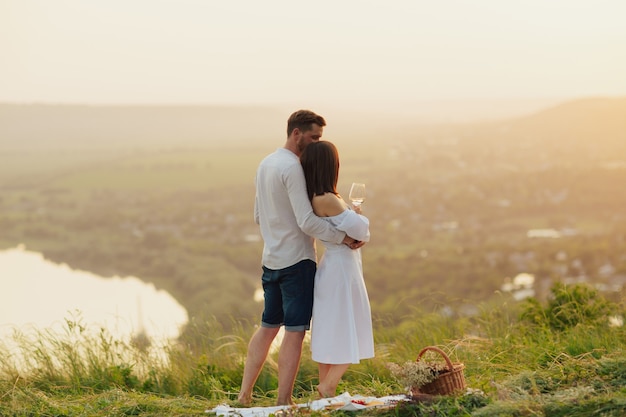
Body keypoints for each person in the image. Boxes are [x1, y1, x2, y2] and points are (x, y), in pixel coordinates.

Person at [237, 110, 363, 406]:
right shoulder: (293, 167)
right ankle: (284, 401)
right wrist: (343, 238)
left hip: (271, 260)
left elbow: (258, 215)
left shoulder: (265, 163)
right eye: (314, 137)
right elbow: (307, 222)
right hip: (297, 262)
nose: (317, 142)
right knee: (294, 333)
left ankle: (244, 395)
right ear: (297, 134)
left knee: (268, 327)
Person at [300, 140, 374, 398]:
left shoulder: (314, 197)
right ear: (331, 165)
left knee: (332, 326)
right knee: (349, 323)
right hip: (342, 269)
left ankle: (325, 390)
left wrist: (353, 218)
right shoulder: (328, 198)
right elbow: (361, 230)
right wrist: (359, 216)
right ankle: (328, 384)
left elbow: (352, 229)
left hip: (333, 265)